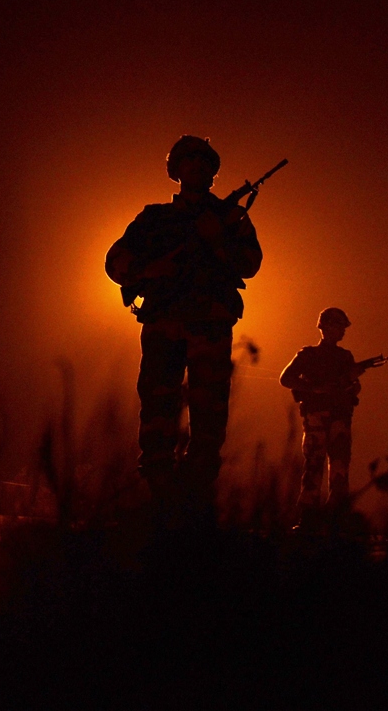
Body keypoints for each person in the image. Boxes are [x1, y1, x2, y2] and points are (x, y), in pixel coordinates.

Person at [105, 135, 262, 521]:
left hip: (209, 325)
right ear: (175, 171)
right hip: (165, 323)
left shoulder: (232, 218)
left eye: (203, 162)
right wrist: (148, 270)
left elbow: (249, 265)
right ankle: (160, 497)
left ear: (213, 173)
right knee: (158, 409)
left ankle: (194, 503)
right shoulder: (154, 219)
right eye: (187, 161)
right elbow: (114, 262)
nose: (196, 167)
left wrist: (217, 242)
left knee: (209, 416)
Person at [279, 307, 363, 514]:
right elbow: (286, 379)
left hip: (340, 417)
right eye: (339, 326)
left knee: (340, 466)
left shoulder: (345, 357)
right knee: (314, 464)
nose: (342, 331)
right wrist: (315, 389)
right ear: (326, 327)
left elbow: (355, 387)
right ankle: (308, 515)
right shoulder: (308, 355)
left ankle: (336, 514)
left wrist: (350, 381)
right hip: (316, 415)